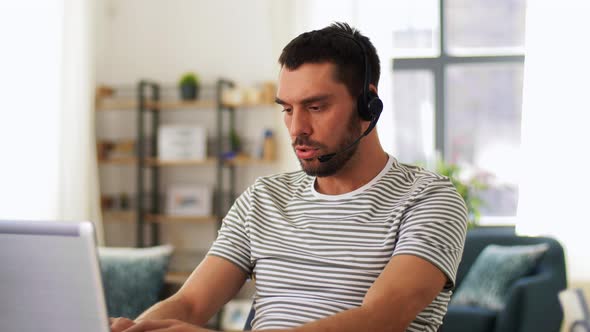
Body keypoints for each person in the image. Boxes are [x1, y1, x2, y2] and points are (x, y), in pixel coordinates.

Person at [110, 22, 468, 332]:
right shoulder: (264, 197)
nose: (297, 129)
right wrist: (139, 328)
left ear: (367, 106)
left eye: (315, 107)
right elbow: (189, 303)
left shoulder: (429, 199)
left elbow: (380, 320)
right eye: (287, 109)